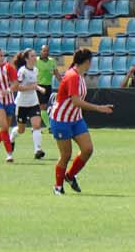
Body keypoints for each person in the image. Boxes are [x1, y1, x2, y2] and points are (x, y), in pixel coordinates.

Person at [50, 47, 113, 195]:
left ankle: (70, 176)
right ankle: (58, 187)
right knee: (66, 155)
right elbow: (76, 101)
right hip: (62, 120)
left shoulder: (79, 74)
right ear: (87, 62)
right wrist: (99, 108)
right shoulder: (73, 76)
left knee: (88, 149)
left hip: (76, 119)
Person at [11, 49, 47, 161]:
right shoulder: (22, 71)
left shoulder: (36, 70)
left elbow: (34, 84)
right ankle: (11, 138)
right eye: (32, 56)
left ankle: (37, 150)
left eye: (35, 55)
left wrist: (39, 88)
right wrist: (32, 87)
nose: (34, 57)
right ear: (26, 59)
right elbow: (17, 87)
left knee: (36, 125)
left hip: (33, 102)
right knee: (21, 130)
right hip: (22, 104)